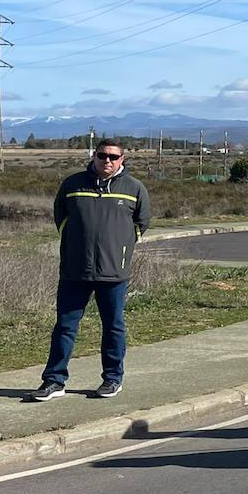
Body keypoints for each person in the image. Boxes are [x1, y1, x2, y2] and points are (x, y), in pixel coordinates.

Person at [32, 139, 151, 403]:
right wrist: (74, 244)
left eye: (113, 157)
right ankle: (54, 380)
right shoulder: (73, 184)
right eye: (102, 155)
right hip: (75, 272)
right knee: (65, 326)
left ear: (123, 160)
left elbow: (141, 222)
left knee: (113, 326)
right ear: (94, 156)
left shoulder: (134, 188)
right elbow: (60, 216)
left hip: (113, 273)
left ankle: (112, 378)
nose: (107, 161)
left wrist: (121, 249)